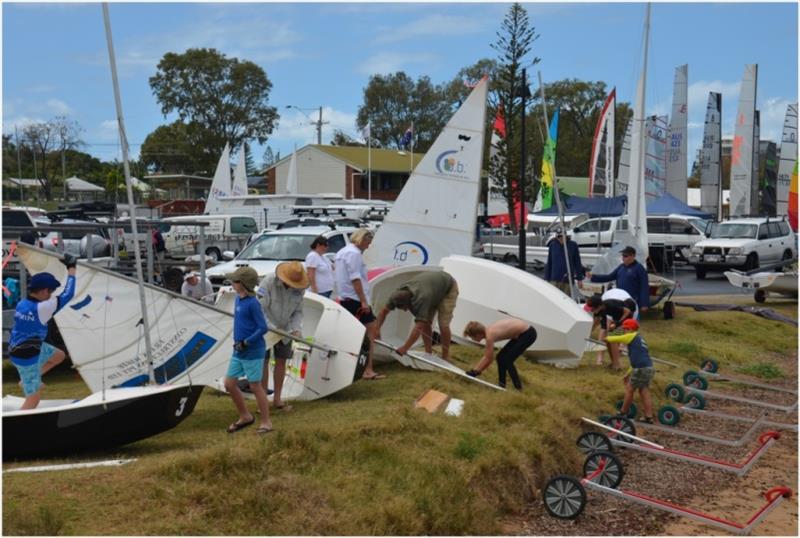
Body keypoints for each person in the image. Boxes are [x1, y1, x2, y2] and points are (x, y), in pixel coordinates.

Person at [8, 254, 77, 410]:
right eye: (51, 291)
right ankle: (14, 430)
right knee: (33, 400)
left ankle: (27, 381)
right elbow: (68, 294)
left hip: (22, 348)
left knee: (58, 356)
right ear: (44, 291)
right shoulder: (43, 308)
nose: (51, 295)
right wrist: (72, 268)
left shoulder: (22, 303)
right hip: (27, 357)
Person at [222, 266, 272, 434]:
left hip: (253, 350)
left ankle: (266, 422)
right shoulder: (238, 299)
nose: (232, 283)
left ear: (242, 284)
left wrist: (247, 342)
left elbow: (262, 328)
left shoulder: (253, 303)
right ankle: (245, 416)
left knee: (255, 386)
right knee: (229, 383)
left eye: (235, 281)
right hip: (238, 350)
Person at [257, 261, 308, 411]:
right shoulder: (268, 282)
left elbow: (298, 311)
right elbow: (260, 308)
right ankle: (263, 400)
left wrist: (296, 328)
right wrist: (272, 329)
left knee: (281, 361)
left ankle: (277, 399)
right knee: (263, 362)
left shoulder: (300, 288)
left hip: (286, 329)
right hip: (265, 327)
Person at [374, 271, 459, 361]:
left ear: (410, 302)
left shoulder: (422, 298)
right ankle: (428, 353)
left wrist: (405, 348)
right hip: (432, 289)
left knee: (443, 324)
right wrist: (377, 329)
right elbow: (383, 312)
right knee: (426, 323)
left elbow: (419, 327)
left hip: (448, 287)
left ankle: (445, 357)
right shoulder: (395, 296)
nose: (405, 310)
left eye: (405, 307)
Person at [334, 228, 384, 380]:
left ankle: (360, 366)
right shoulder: (354, 254)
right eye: (368, 242)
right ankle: (367, 369)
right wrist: (363, 300)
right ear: (362, 240)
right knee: (371, 330)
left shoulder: (342, 252)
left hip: (346, 297)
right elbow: (355, 278)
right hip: (354, 298)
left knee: (362, 330)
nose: (368, 246)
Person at [462, 319, 536, 390]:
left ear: (478, 334)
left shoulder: (489, 336)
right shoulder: (488, 331)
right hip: (522, 334)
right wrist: (475, 370)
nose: (472, 339)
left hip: (528, 334)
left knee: (507, 360)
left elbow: (489, 358)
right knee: (500, 357)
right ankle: (502, 384)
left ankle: (518, 388)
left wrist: (475, 372)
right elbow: (488, 357)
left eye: (472, 337)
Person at [586, 245, 650, 313]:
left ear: (633, 256)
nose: (623, 258)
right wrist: (593, 277)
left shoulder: (639, 268)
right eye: (622, 256)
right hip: (620, 299)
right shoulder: (621, 267)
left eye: (625, 256)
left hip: (632, 300)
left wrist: (644, 304)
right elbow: (609, 277)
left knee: (631, 321)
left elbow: (644, 287)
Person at [616, 319, 655, 424]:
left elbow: (614, 338)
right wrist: (627, 374)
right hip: (648, 367)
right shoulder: (639, 339)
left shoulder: (632, 336)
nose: (624, 332)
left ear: (630, 329)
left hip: (641, 369)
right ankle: (648, 416)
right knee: (644, 391)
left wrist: (605, 337)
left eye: (625, 329)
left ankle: (622, 413)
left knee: (630, 389)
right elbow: (635, 362)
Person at [585, 294, 636, 370]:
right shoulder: (599, 311)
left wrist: (618, 323)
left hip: (626, 319)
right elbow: (597, 323)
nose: (591, 311)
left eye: (592, 309)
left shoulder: (610, 305)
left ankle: (617, 365)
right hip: (616, 320)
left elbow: (627, 311)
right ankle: (614, 362)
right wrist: (587, 333)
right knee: (608, 340)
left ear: (598, 306)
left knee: (613, 339)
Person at [543, 228, 585, 295]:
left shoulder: (573, 245)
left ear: (566, 236)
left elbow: (577, 263)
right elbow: (549, 262)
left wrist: (579, 279)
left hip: (567, 279)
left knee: (566, 298)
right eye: (559, 236)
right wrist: (546, 278)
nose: (561, 238)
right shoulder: (552, 245)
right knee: (554, 297)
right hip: (554, 278)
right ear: (556, 237)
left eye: (562, 236)